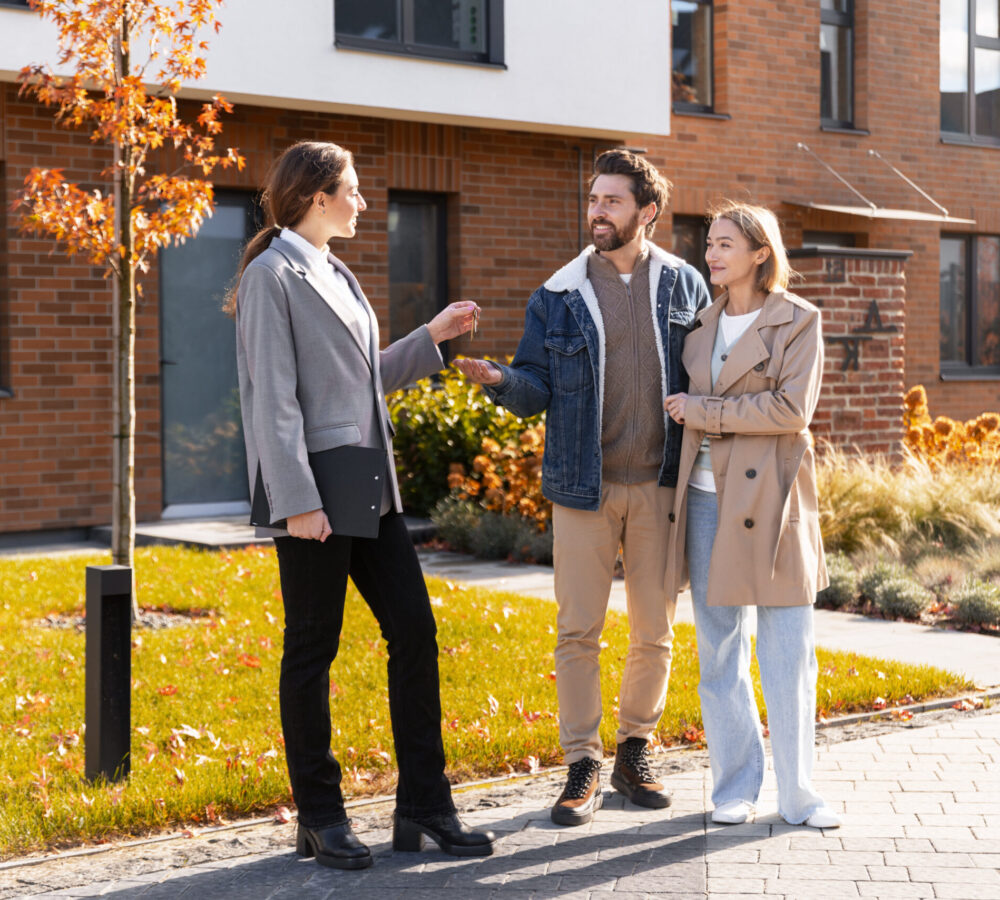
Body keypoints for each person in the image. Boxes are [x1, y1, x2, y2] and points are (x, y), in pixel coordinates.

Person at [231, 140, 495, 869]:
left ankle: (424, 806)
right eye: (351, 189)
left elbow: (357, 384)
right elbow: (272, 402)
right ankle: (320, 815)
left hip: (367, 483)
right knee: (312, 649)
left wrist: (431, 340)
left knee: (415, 631)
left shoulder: (335, 269)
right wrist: (296, 502)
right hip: (314, 490)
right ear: (318, 196)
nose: (361, 201)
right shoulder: (270, 276)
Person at [455, 149, 711, 826]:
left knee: (655, 632)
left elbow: (714, 373)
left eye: (612, 202)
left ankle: (634, 750)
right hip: (583, 489)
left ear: (646, 213)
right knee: (578, 631)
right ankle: (582, 763)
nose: (597, 212)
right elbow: (535, 386)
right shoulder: (558, 294)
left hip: (660, 485)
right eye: (594, 200)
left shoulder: (687, 287)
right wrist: (503, 381)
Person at [662, 200, 841, 829]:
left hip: (773, 501)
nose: (710, 254)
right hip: (707, 498)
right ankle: (735, 785)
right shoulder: (700, 326)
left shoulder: (798, 320)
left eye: (724, 245)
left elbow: (791, 410)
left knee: (789, 651)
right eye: (708, 244)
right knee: (719, 651)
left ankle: (800, 794)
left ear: (760, 252)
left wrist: (705, 411)